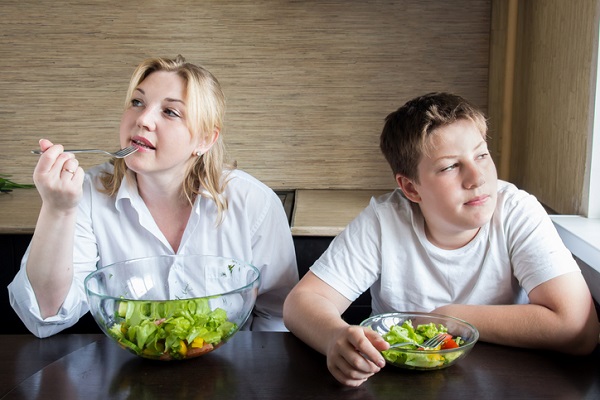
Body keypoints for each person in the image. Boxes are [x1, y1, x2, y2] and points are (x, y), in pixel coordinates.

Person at [283, 92, 600, 387]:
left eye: (482, 155)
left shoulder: (516, 211)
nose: (477, 178)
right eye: (450, 166)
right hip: (401, 383)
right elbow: (301, 304)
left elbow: (577, 329)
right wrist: (335, 337)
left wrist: (448, 317)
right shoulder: (384, 220)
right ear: (411, 188)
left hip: (505, 382)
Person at [9, 55, 298, 337]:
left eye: (170, 112)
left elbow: (279, 315)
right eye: (137, 102)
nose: (143, 119)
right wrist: (57, 209)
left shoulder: (254, 203)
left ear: (205, 140)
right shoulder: (87, 193)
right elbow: (46, 315)